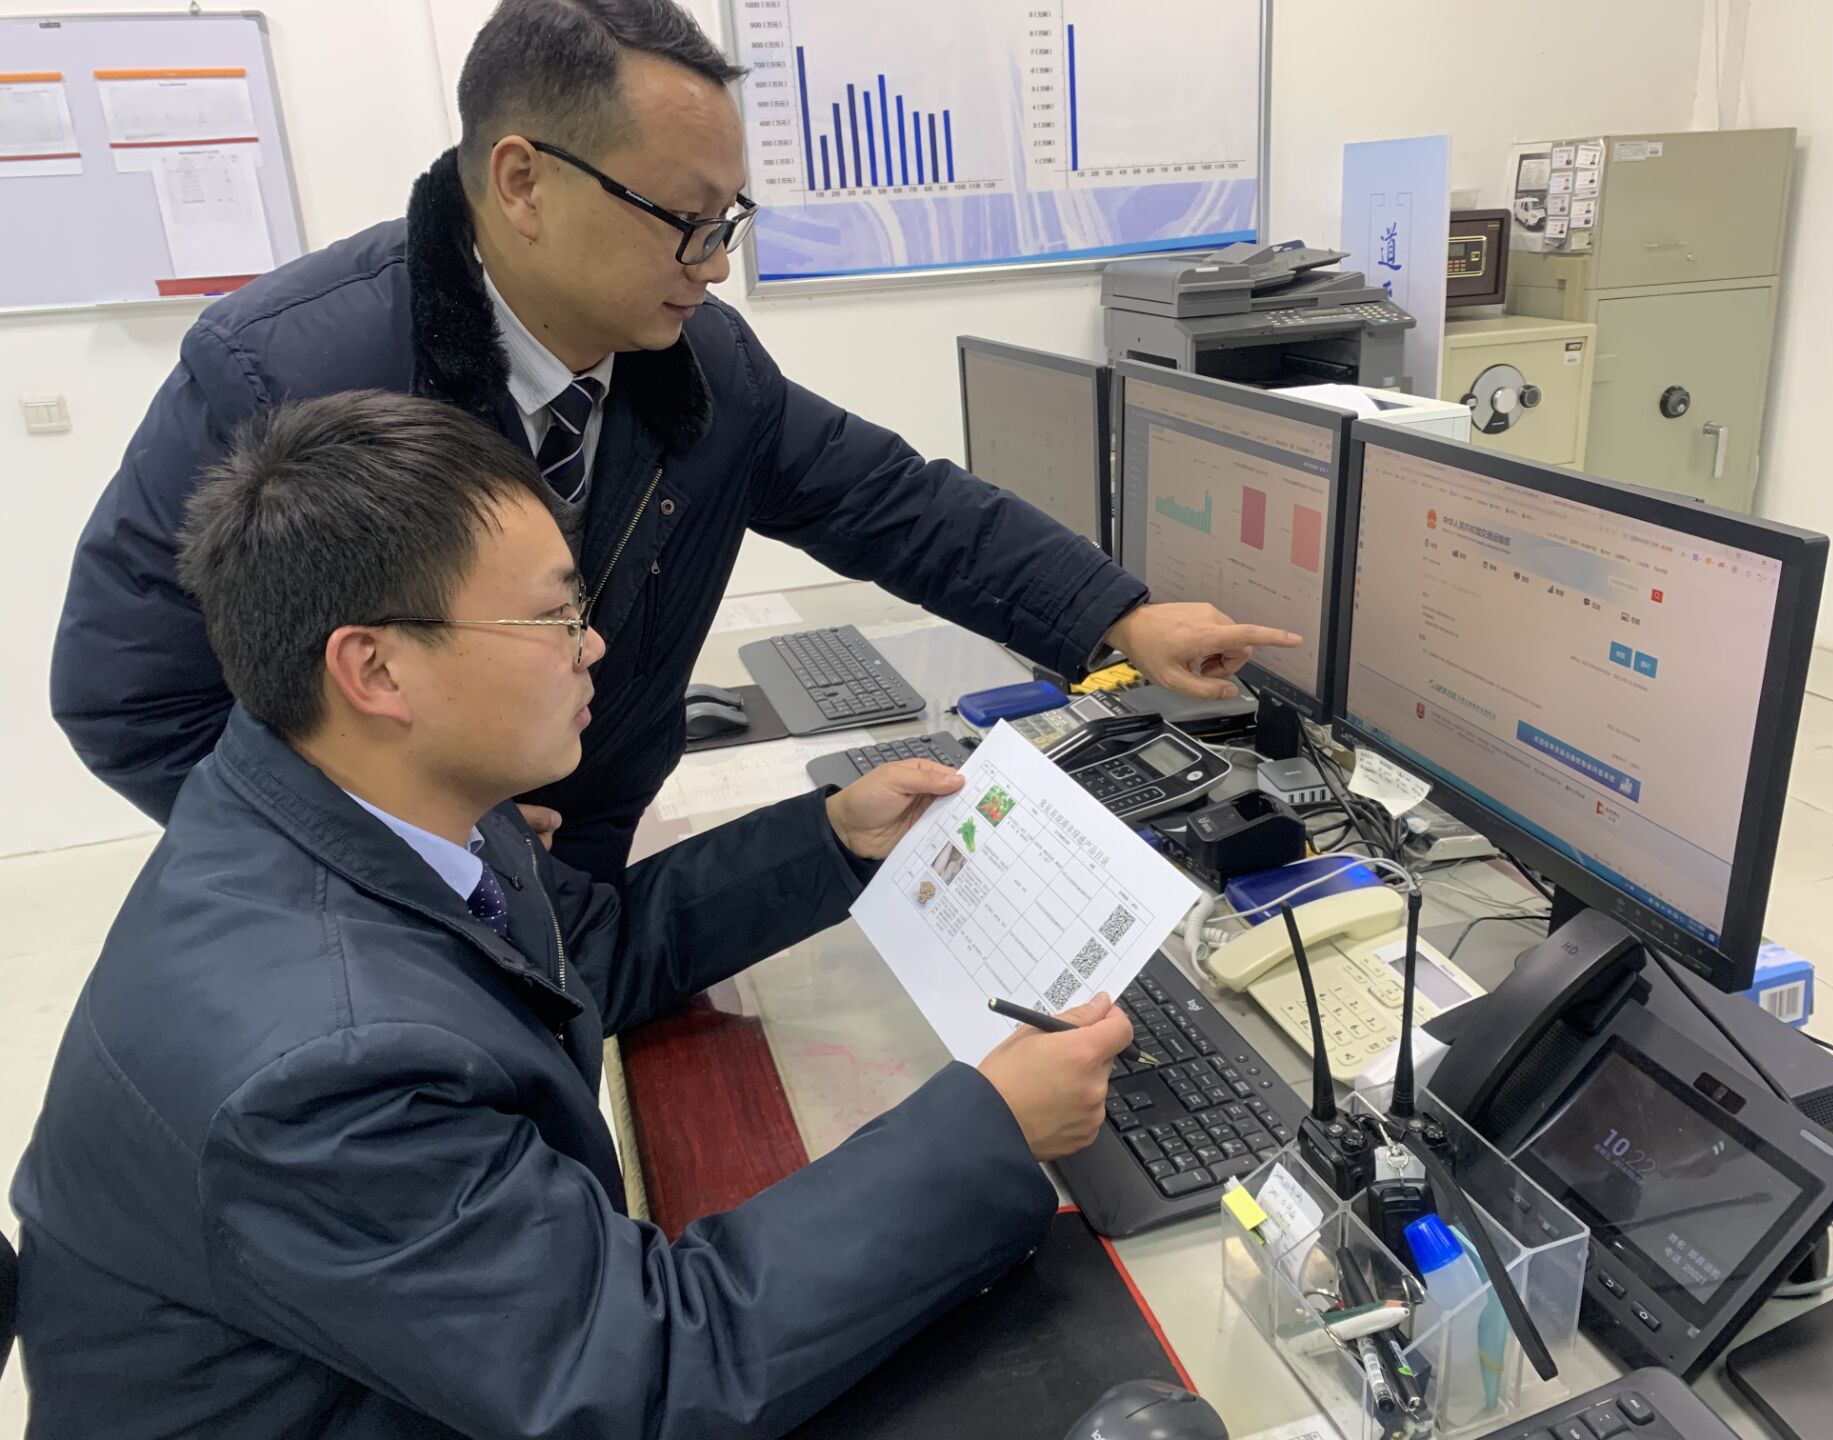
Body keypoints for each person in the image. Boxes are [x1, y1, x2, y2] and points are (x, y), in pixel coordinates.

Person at [10, 392, 1134, 1438]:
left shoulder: (353, 793)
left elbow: (584, 951)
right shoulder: (320, 1076)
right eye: (553, 616)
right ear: (377, 671)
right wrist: (992, 1128)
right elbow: (639, 1377)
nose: (591, 645)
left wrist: (835, 838)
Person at [49, 0, 1300, 882]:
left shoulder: (702, 363)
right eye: (685, 220)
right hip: (394, 889)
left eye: (728, 220)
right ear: (524, 182)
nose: (715, 263)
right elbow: (128, 700)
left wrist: (1117, 616)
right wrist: (405, 836)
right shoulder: (282, 375)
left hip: (593, 848)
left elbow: (894, 504)